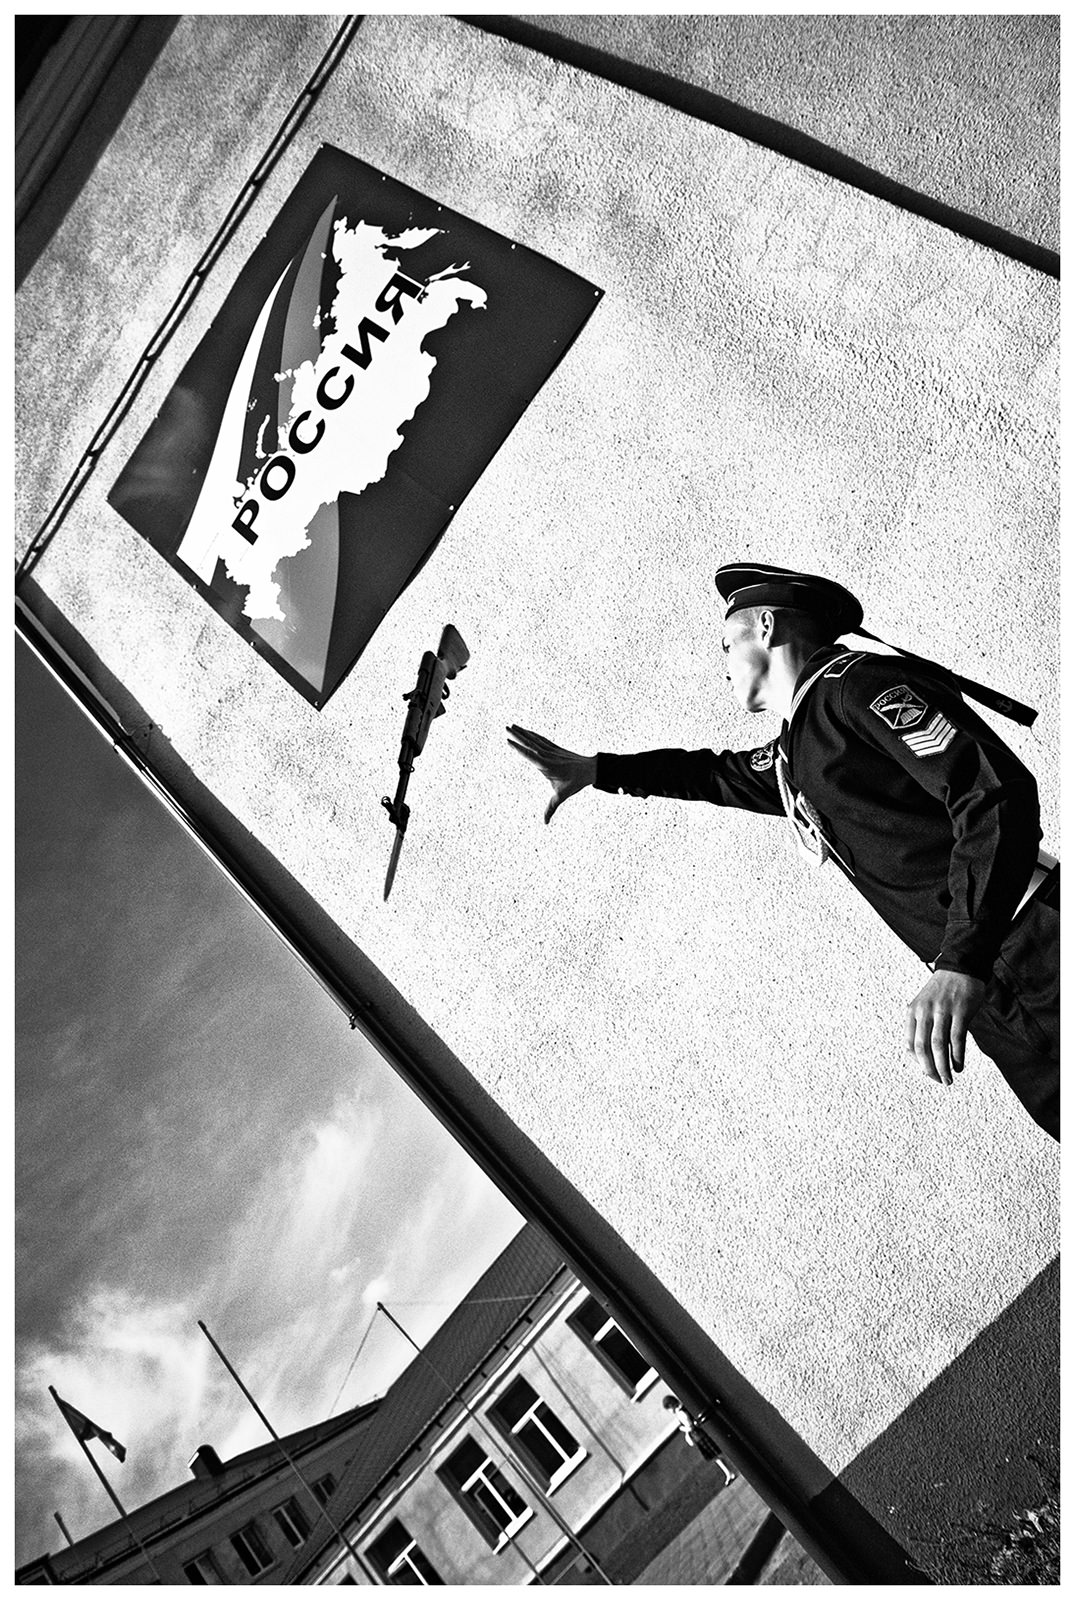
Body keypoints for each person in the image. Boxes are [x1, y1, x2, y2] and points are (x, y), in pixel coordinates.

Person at [507, 563, 1058, 1140]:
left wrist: (960, 960)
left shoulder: (854, 687)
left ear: (765, 626)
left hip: (1034, 942)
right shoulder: (797, 752)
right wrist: (598, 771)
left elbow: (995, 794)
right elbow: (710, 774)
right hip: (988, 987)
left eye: (726, 645)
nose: (721, 667)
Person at [662, 1395, 736, 1485]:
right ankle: (729, 1473)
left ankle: (734, 1469)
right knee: (716, 1456)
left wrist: (682, 1429)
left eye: (668, 1409)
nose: (670, 1412)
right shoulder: (684, 1408)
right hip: (700, 1435)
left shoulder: (681, 1413)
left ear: (671, 1405)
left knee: (718, 1455)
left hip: (700, 1436)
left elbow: (690, 1426)